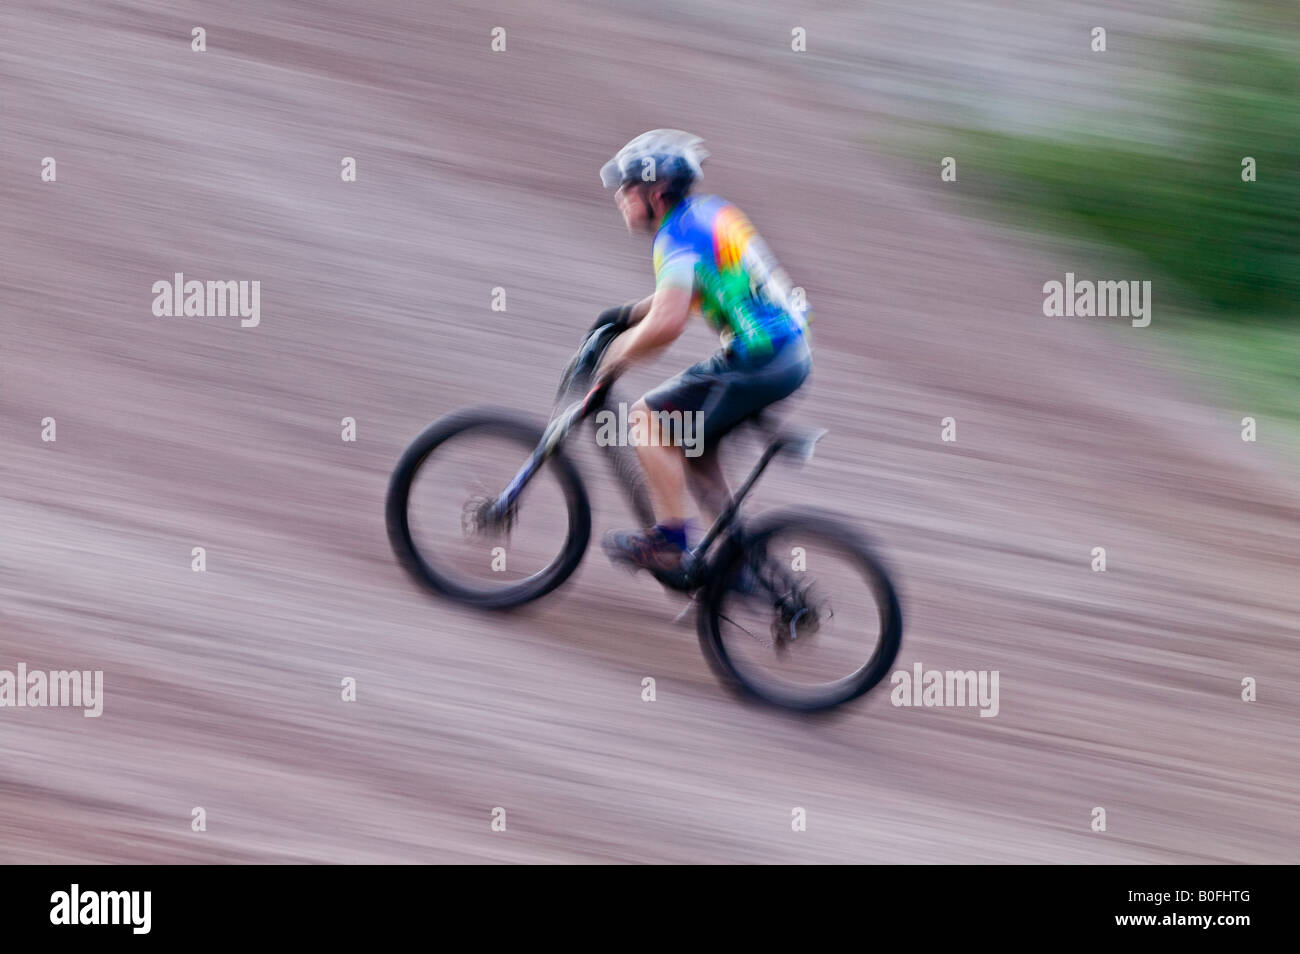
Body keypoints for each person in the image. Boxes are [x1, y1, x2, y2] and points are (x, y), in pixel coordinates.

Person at [594, 129, 813, 574]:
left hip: (760, 359)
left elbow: (668, 322)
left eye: (627, 188)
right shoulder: (706, 215)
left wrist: (615, 359)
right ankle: (738, 571)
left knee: (645, 419)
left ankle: (669, 540)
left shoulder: (675, 236)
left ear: (655, 192)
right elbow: (682, 295)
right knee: (696, 447)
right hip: (785, 356)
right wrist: (621, 317)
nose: (620, 197)